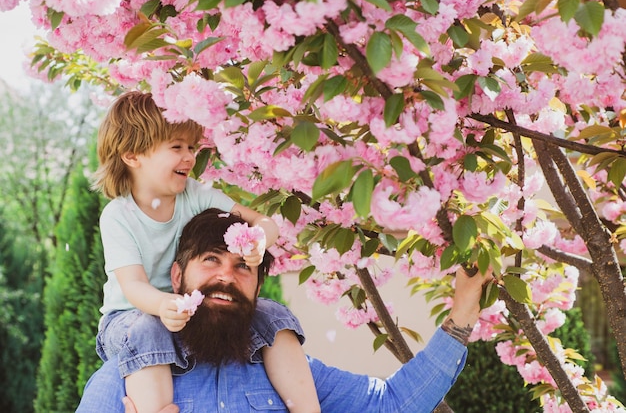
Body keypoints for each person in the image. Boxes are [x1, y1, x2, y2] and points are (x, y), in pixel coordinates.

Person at [77, 208, 492, 413]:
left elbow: (394, 404)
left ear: (258, 286)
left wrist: (462, 314)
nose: (226, 276)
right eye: (210, 261)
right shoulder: (126, 379)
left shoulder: (287, 370)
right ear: (177, 275)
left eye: (243, 266)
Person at [92, 92, 320, 413]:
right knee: (149, 329)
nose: (189, 157)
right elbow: (132, 286)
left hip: (186, 310)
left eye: (191, 147)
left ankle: (306, 408)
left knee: (273, 314)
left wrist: (258, 239)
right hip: (131, 318)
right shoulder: (119, 215)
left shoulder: (195, 195)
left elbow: (262, 221)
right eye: (176, 147)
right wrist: (163, 304)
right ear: (133, 156)